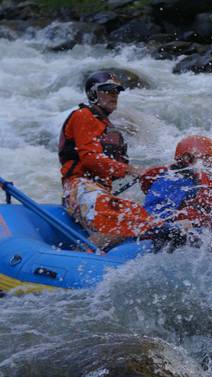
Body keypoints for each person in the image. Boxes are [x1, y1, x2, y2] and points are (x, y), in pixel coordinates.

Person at [58, 70, 165, 249]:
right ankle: (80, 255)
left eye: (117, 91)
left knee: (140, 219)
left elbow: (109, 168)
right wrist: (131, 170)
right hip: (79, 187)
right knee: (125, 224)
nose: (114, 95)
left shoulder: (107, 126)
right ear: (93, 93)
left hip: (98, 190)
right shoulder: (83, 116)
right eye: (107, 90)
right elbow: (91, 159)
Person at [142, 135, 212, 231]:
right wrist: (176, 225)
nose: (207, 164)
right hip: (172, 234)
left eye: (208, 159)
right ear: (186, 158)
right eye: (203, 158)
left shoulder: (203, 180)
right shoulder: (170, 180)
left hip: (201, 231)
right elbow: (152, 214)